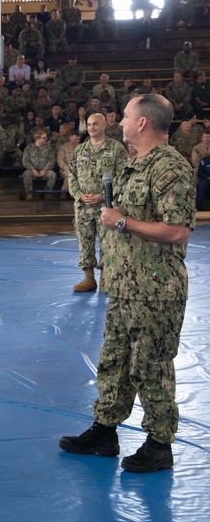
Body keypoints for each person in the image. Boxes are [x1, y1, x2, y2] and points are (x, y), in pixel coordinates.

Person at [60, 94, 195, 473]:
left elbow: (179, 230)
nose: (120, 122)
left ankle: (159, 444)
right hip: (122, 286)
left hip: (155, 290)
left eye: (125, 116)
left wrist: (121, 222)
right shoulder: (132, 163)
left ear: (142, 123)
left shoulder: (170, 168)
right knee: (114, 362)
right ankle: (105, 431)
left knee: (151, 366)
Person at [67, 113, 127, 292]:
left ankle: (105, 280)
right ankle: (89, 279)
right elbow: (72, 176)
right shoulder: (80, 150)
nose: (92, 127)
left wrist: (102, 195)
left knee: (108, 244)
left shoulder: (116, 148)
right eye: (89, 124)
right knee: (85, 243)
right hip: (83, 207)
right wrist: (79, 195)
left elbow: (123, 176)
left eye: (95, 124)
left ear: (104, 126)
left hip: (105, 206)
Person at [21, 130, 57, 200]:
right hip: (32, 170)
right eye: (44, 138)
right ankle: (29, 193)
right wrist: (33, 169)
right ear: (37, 138)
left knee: (52, 175)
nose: (46, 139)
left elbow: (51, 160)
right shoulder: (28, 148)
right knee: (26, 174)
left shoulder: (49, 149)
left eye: (46, 138)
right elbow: (25, 161)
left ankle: (47, 193)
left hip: (44, 170)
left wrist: (44, 169)